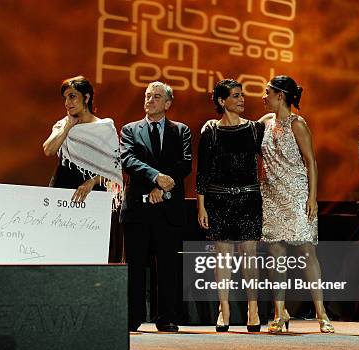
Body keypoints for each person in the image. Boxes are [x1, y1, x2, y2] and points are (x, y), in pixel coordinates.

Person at [259, 75, 335, 334]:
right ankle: (280, 313)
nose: (263, 97)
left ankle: (321, 312)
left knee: (306, 253)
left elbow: (311, 161)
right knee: (276, 256)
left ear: (280, 95)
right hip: (270, 196)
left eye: (267, 92)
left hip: (296, 194)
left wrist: (312, 198)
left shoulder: (298, 124)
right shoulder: (265, 123)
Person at [120, 81, 192, 332]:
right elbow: (128, 159)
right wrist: (155, 177)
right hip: (138, 211)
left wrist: (161, 187)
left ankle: (167, 318)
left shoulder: (181, 130)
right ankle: (132, 317)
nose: (150, 100)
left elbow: (185, 163)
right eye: (148, 96)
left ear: (168, 103)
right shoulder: (129, 130)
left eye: (156, 97)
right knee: (135, 266)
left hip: (168, 209)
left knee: (168, 267)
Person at [196, 79, 264, 332]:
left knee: (249, 258)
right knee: (223, 259)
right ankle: (223, 310)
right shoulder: (210, 131)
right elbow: (202, 172)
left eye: (242, 95)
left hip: (248, 199)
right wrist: (201, 206)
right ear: (221, 101)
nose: (241, 99)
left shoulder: (256, 129)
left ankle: (252, 310)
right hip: (219, 199)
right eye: (235, 96)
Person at [43, 75, 122, 204]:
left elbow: (113, 168)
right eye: (65, 98)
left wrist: (92, 182)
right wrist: (68, 126)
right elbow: (48, 150)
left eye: (72, 96)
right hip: (62, 190)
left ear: (86, 97)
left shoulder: (104, 127)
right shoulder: (63, 124)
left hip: (93, 193)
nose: (67, 103)